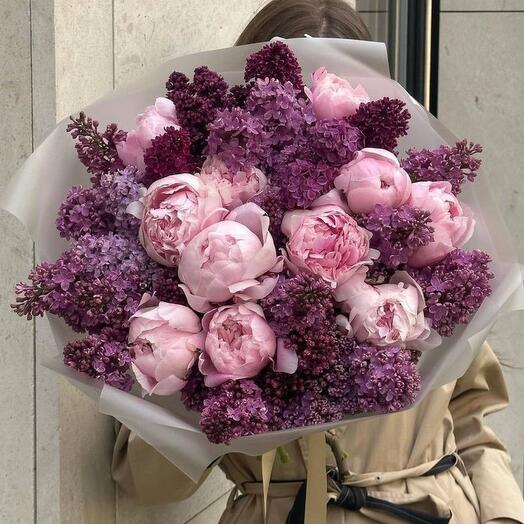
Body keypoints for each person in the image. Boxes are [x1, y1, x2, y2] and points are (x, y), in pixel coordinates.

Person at [112, 1, 524, 522]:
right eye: (291, 98)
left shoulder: (423, 235)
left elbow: (469, 415)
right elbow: (144, 482)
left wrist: (505, 515)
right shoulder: (207, 261)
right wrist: (188, 366)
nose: (310, 122)